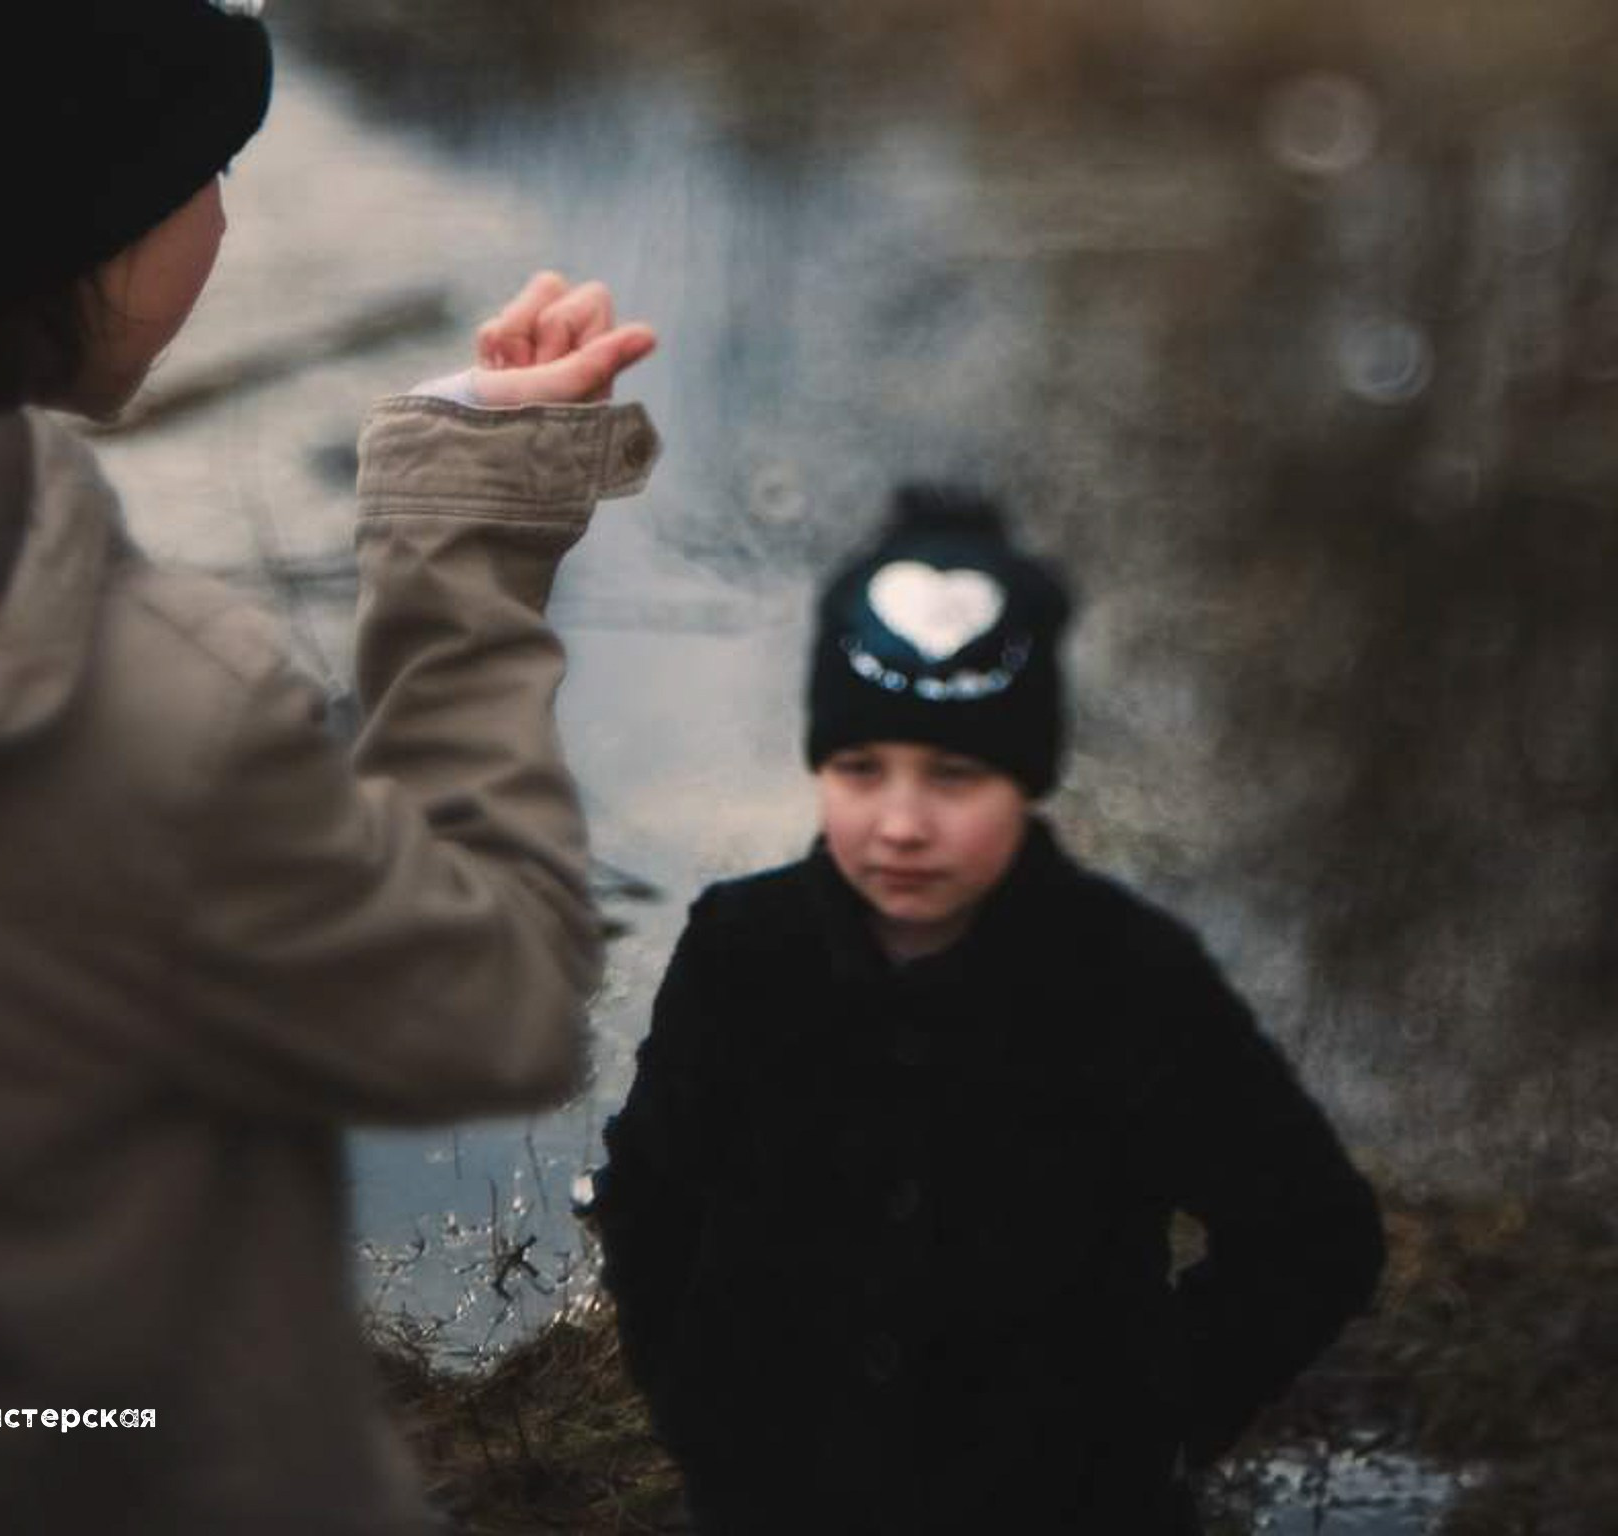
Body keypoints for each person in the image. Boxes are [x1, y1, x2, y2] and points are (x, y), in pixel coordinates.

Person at [0, 2, 657, 1530]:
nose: (220, 214)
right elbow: (496, 1000)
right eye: (207, 166)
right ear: (78, 228)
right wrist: (462, 536)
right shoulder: (162, 714)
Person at [591, 486, 1385, 1535]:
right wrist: (701, 1415)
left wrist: (1149, 1428)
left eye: (954, 775)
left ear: (1026, 780)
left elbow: (1310, 1230)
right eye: (859, 769)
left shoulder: (1127, 974)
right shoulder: (744, 949)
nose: (901, 823)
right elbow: (651, 1195)